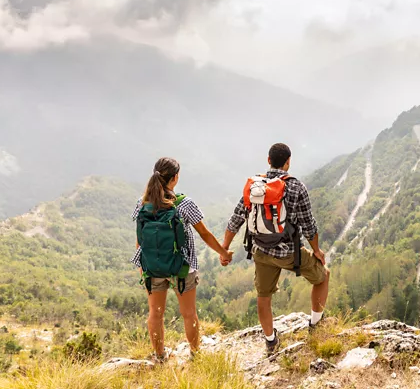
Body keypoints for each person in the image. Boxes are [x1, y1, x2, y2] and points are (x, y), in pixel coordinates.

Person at [222, 143, 330, 355]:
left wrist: (224, 248)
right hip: (289, 253)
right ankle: (316, 325)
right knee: (323, 277)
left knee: (264, 295)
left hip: (260, 251)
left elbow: (236, 219)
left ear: (268, 160)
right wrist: (316, 250)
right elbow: (309, 225)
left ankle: (271, 341)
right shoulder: (297, 187)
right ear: (288, 162)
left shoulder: (255, 186)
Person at [132, 157, 233, 362]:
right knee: (188, 313)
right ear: (175, 178)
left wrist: (142, 268)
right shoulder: (184, 204)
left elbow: (140, 240)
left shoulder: (142, 204)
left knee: (155, 313)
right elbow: (204, 234)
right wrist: (223, 252)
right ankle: (195, 354)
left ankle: (160, 356)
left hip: (152, 267)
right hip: (182, 268)